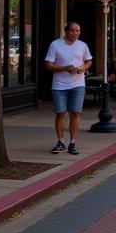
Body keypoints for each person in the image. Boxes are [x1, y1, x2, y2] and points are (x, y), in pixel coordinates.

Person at [44, 22, 93, 156]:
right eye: (73, 31)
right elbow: (48, 65)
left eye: (78, 30)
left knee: (75, 113)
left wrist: (83, 67)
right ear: (66, 31)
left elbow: (89, 61)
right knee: (60, 113)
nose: (76, 33)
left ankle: (72, 142)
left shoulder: (82, 45)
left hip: (78, 84)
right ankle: (60, 142)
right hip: (59, 85)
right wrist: (65, 68)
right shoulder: (56, 44)